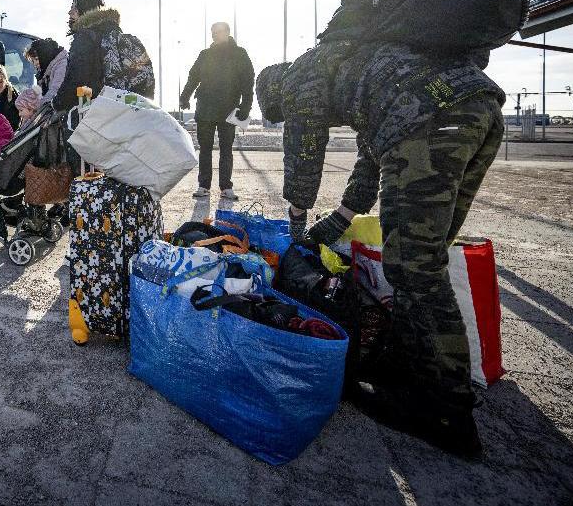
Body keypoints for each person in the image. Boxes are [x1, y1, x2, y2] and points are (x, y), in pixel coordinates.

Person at [256, 37, 506, 459]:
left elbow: (304, 149)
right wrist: (341, 217)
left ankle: (447, 411)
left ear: (274, 91)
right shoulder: (365, 68)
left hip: (433, 119)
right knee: (422, 257)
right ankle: (408, 364)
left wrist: (296, 220)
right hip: (475, 106)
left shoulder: (300, 76)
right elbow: (374, 152)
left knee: (414, 267)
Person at [179, 23, 255, 201]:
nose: (215, 36)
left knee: (226, 149)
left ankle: (226, 187)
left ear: (227, 33)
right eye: (212, 33)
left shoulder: (240, 54)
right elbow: (193, 77)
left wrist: (246, 106)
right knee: (205, 149)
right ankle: (203, 186)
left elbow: (248, 82)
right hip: (205, 108)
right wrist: (184, 97)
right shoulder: (205, 55)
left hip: (228, 110)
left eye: (218, 32)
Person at [25, 38, 68, 105]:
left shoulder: (61, 65)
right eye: (33, 61)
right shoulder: (44, 71)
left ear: (44, 55)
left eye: (36, 59)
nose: (35, 63)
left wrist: (36, 109)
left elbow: (55, 91)